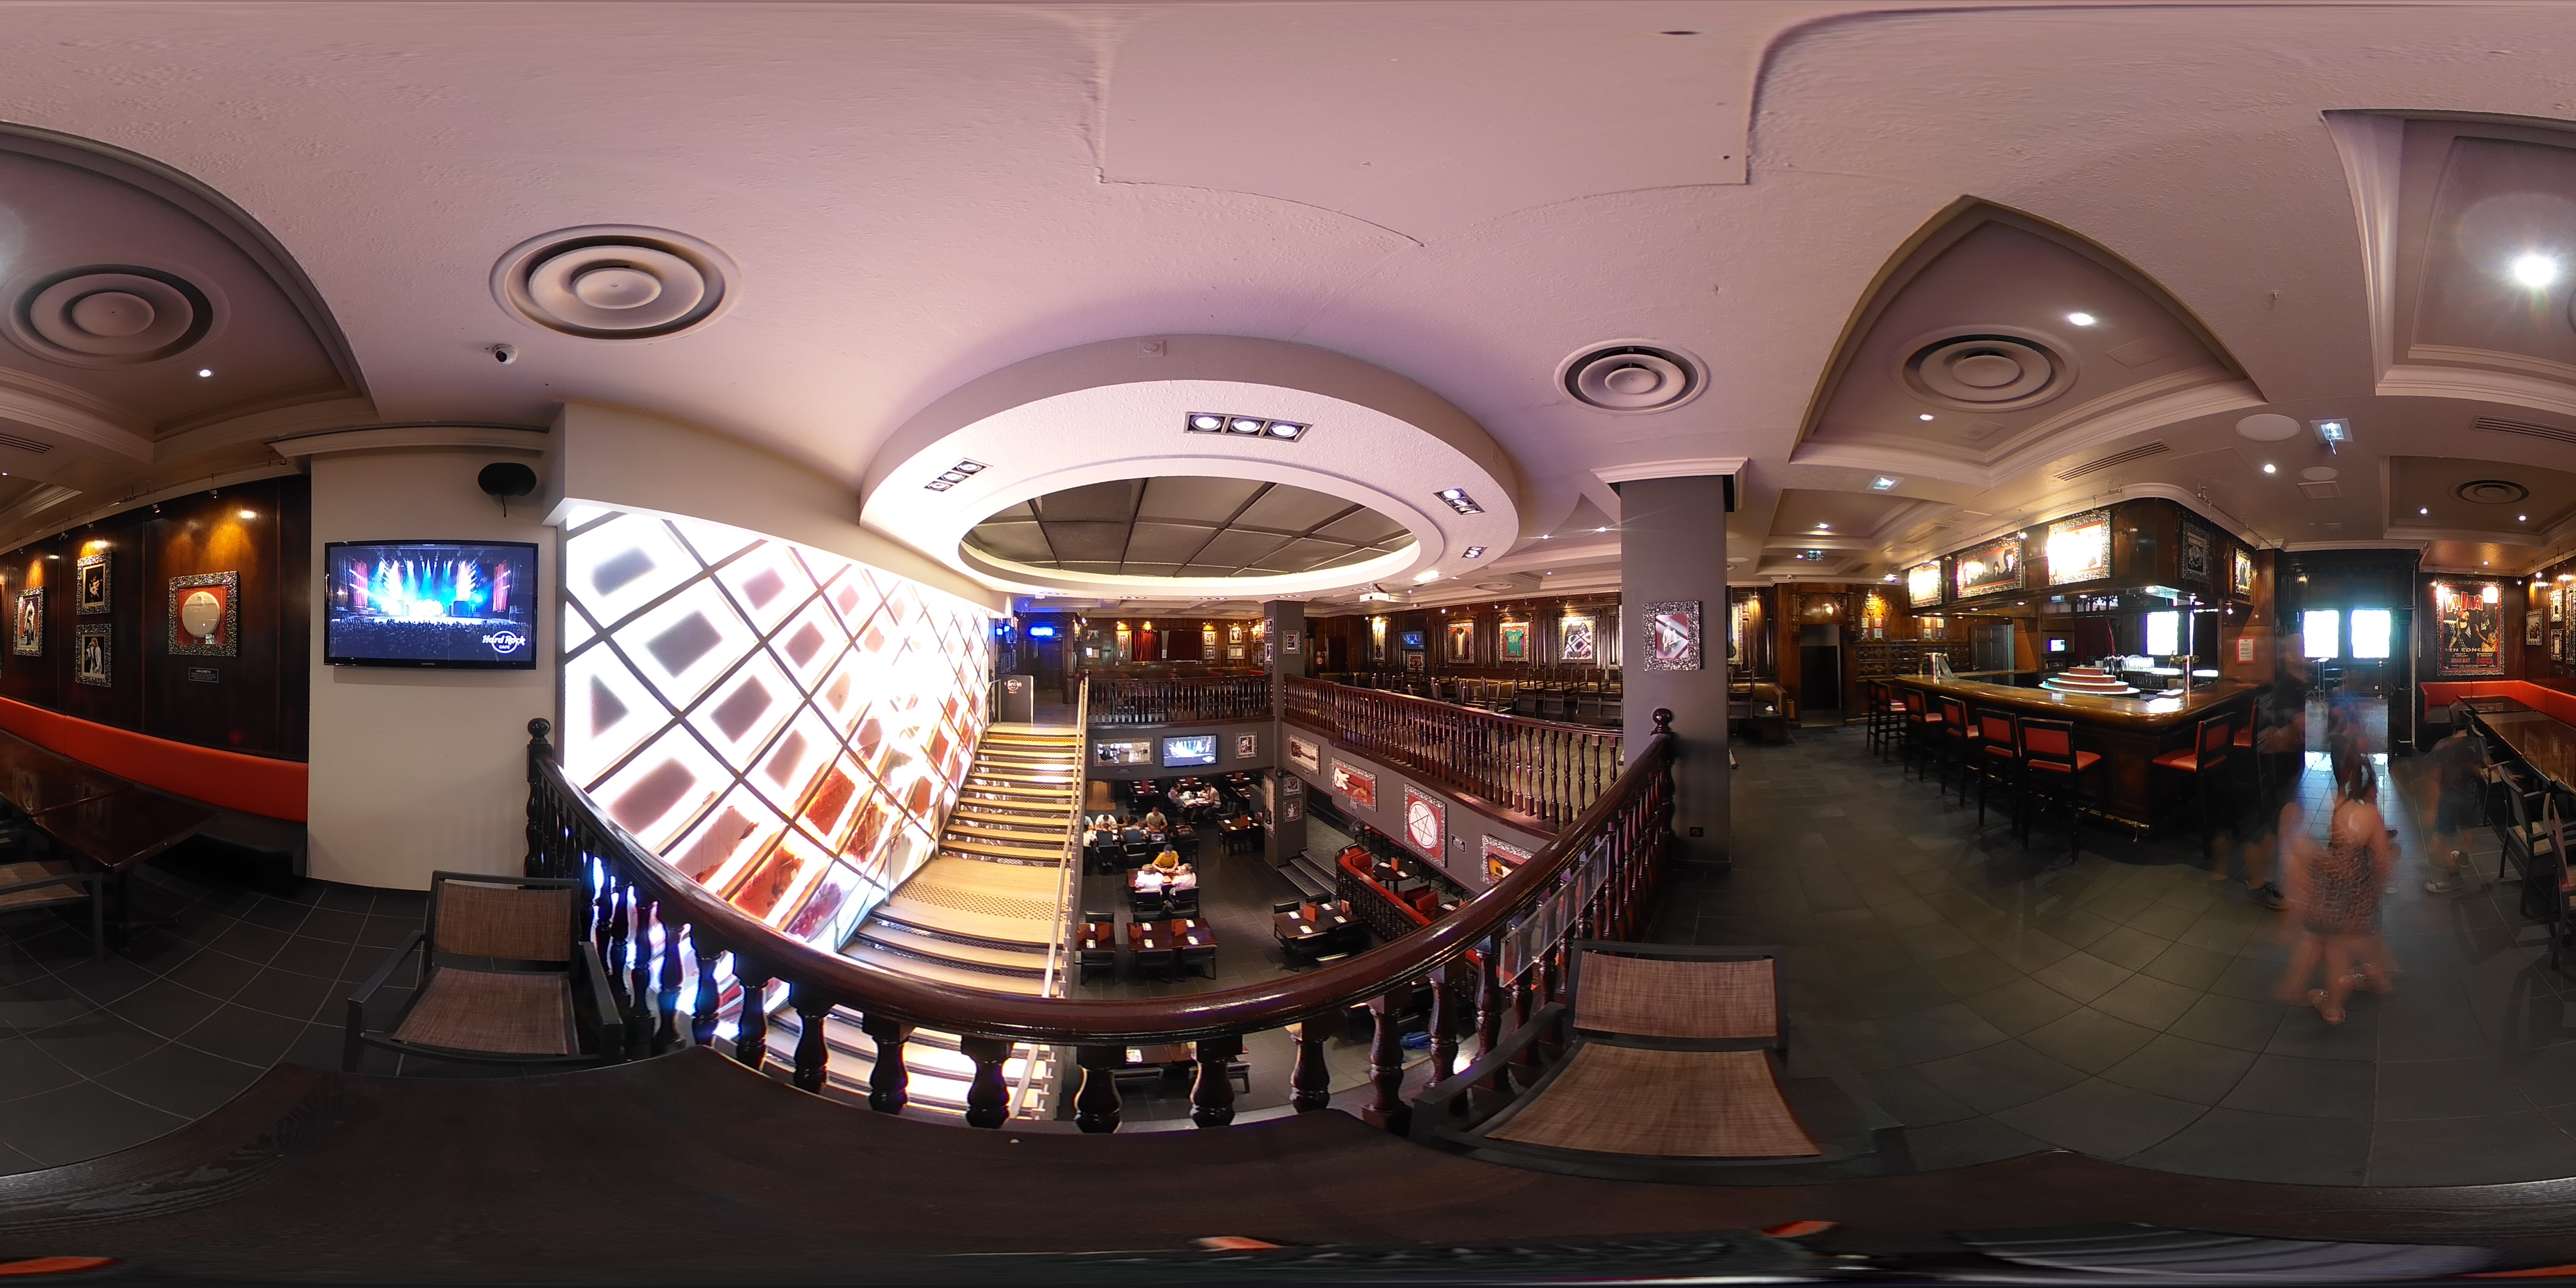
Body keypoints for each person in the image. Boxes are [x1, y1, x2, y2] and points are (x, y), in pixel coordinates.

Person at [2276, 759, 2398, 1024]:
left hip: (2335, 891)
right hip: (2358, 891)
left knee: (2336, 946)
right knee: (2350, 943)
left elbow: (2335, 847)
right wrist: (2380, 880)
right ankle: (2358, 991)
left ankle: (2333, 1000)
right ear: (2373, 789)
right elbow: (2381, 861)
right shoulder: (2372, 816)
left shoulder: (2339, 805)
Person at [2236, 647, 2312, 910]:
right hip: (2274, 763)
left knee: (2274, 822)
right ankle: (2257, 884)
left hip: (2284, 762)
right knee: (2265, 825)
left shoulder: (2295, 684)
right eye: (2299, 648)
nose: (2304, 652)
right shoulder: (2285, 686)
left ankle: (2262, 881)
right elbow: (2295, 725)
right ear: (2288, 656)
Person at [2425, 702, 2484, 894]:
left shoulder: (2443, 746)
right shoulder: (2475, 744)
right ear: (2469, 724)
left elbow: (2436, 778)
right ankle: (2463, 856)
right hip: (2470, 796)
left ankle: (2454, 878)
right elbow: (2479, 769)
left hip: (2449, 798)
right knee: (2467, 828)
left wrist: (2432, 808)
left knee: (2444, 838)